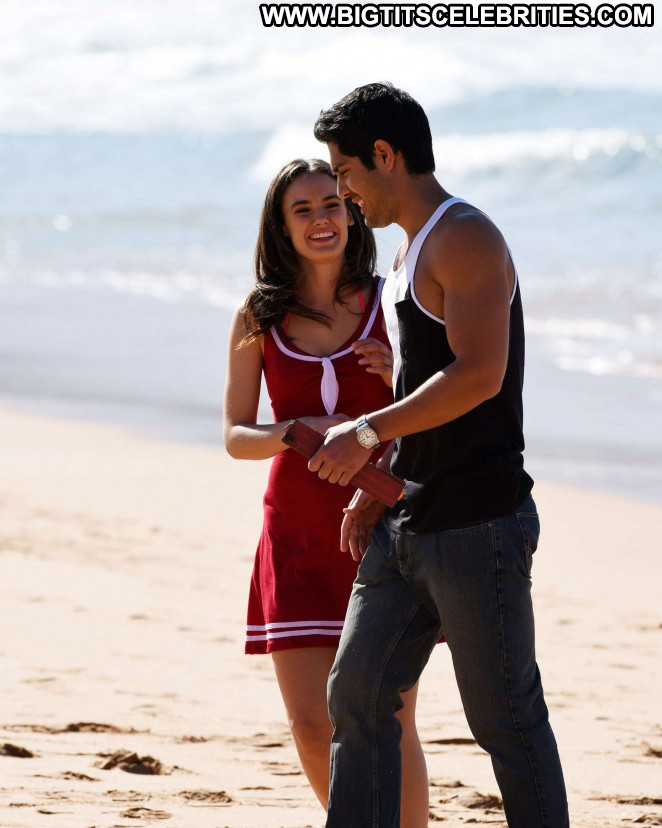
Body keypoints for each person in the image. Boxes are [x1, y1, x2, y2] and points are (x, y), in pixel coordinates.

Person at [309, 84, 569, 827]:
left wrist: (364, 433)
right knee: (356, 694)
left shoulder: (464, 237)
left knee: (505, 722)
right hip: (407, 518)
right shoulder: (405, 250)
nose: (344, 192)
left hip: (477, 522)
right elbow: (420, 384)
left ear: (385, 155)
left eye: (346, 172)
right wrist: (378, 482)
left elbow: (478, 375)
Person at [223, 158, 430, 826]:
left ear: (352, 212)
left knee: (388, 716)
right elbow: (235, 434)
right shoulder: (258, 316)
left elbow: (444, 405)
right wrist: (290, 430)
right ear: (281, 227)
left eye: (332, 204)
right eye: (303, 209)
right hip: (295, 535)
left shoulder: (392, 301)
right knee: (312, 725)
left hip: (382, 533)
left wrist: (400, 375)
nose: (321, 219)